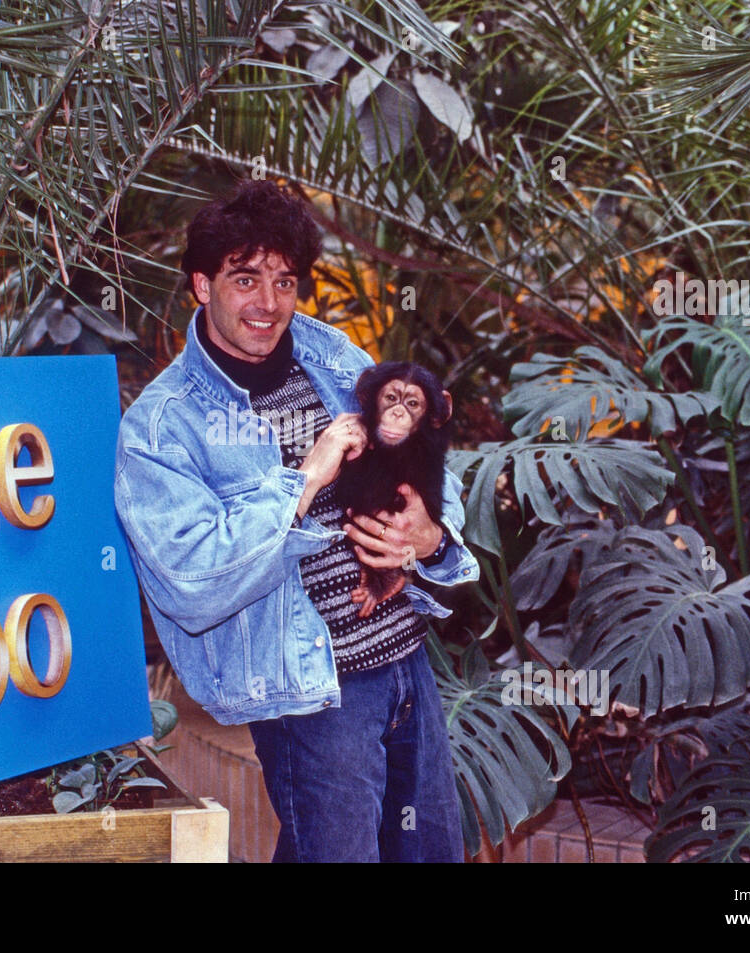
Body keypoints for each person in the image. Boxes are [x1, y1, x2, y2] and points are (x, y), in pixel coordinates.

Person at [113, 179, 480, 862]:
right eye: (244, 278)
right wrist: (304, 479)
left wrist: (428, 536)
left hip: (407, 667)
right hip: (310, 696)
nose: (268, 303)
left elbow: (431, 468)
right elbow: (192, 582)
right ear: (201, 283)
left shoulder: (332, 354)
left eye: (284, 280)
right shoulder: (160, 427)